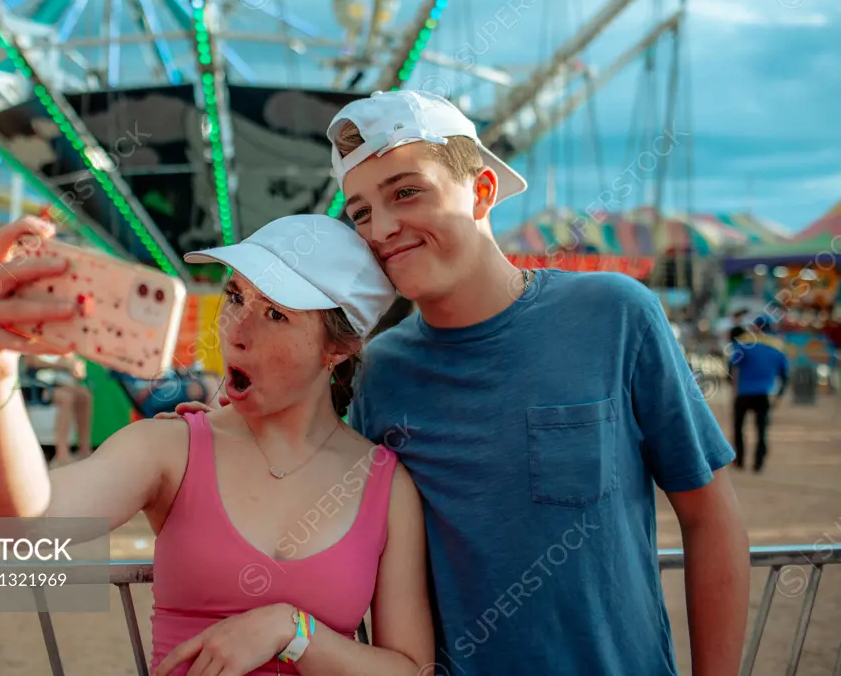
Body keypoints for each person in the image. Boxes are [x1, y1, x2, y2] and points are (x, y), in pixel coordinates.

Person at [171, 90, 750, 676]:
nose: (382, 229)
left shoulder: (614, 314)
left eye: (406, 192)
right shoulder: (382, 370)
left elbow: (709, 514)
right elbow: (319, 498)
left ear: (481, 190)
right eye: (361, 211)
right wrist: (211, 438)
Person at [0, 215, 434, 675]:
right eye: (235, 296)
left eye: (275, 314)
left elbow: (412, 669)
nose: (236, 331)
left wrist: (293, 631)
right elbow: (28, 525)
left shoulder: (385, 485)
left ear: (338, 350)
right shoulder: (172, 449)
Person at [729, 315, 790, 473]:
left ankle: (739, 461)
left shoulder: (744, 344)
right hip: (765, 394)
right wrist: (779, 395)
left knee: (738, 428)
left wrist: (732, 386)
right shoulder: (778, 348)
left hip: (743, 393)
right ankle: (758, 463)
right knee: (761, 430)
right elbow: (785, 376)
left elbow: (732, 366)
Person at [25, 353, 93, 464]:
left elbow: (73, 361)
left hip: (59, 385)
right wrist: (63, 366)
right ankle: (62, 454)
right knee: (66, 398)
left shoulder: (61, 345)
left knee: (85, 395)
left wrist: (77, 368)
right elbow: (32, 362)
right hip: (35, 385)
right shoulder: (34, 342)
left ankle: (84, 449)